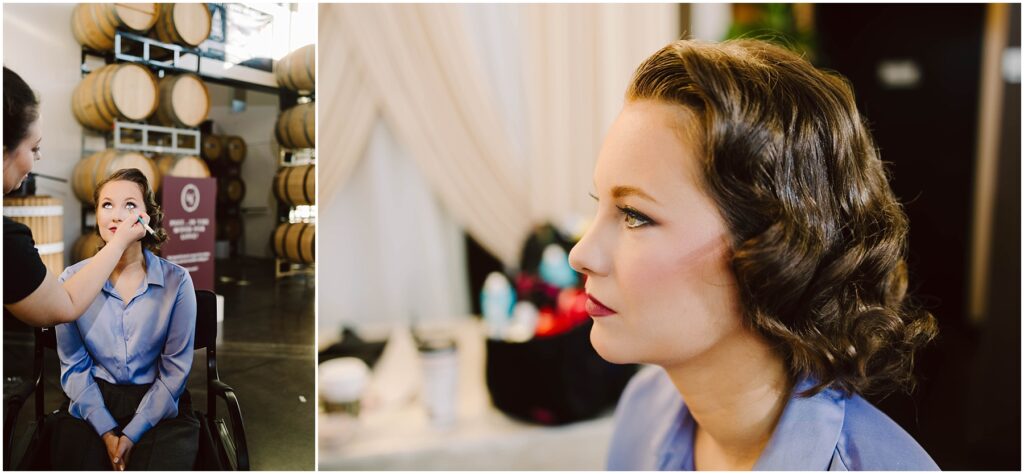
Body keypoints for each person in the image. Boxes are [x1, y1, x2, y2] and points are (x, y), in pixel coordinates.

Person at [567, 39, 940, 470]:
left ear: (776, 250)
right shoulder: (643, 410)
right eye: (600, 205)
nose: (581, 254)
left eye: (634, 215)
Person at [34, 168, 199, 471]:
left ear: (147, 217)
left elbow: (175, 372)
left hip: (157, 401)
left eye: (130, 205)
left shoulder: (178, 282)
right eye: (107, 205)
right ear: (96, 214)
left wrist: (133, 433)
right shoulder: (72, 280)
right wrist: (107, 430)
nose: (117, 215)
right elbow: (74, 366)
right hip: (92, 399)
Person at [3, 66, 147, 326]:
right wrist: (119, 242)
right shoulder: (8, 244)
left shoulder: (176, 281)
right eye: (33, 147)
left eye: (129, 204)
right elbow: (64, 305)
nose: (38, 157)